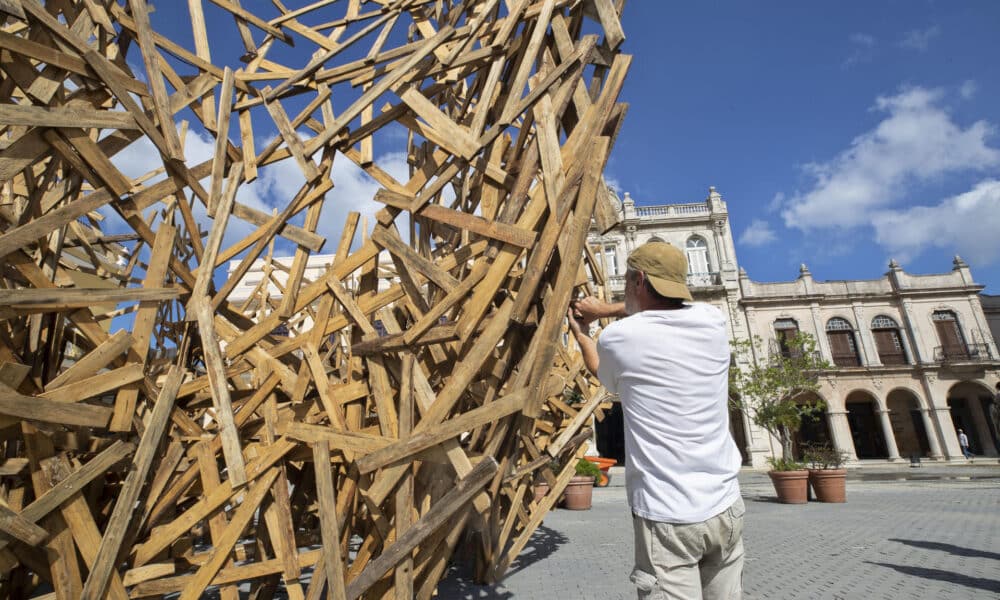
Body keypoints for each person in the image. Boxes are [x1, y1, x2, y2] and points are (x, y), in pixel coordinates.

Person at [567, 241, 744, 600]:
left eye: (629, 281)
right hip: (727, 507)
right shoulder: (713, 322)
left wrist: (585, 329)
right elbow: (663, 310)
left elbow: (601, 370)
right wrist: (609, 308)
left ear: (639, 281)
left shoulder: (621, 338)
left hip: (669, 518)